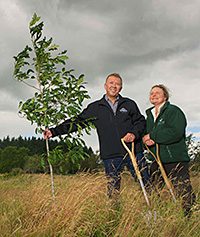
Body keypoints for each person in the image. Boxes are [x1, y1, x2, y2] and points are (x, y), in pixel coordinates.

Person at [44, 73, 149, 199]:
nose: (114, 86)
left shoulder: (129, 104)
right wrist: (54, 131)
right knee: (113, 190)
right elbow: (77, 122)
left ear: (121, 88)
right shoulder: (95, 107)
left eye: (117, 84)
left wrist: (134, 134)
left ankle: (153, 212)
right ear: (105, 86)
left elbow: (141, 121)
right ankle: (114, 215)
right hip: (111, 155)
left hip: (134, 151)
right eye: (111, 83)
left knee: (145, 183)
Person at [143, 84, 195, 217]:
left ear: (165, 96)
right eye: (151, 93)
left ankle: (189, 218)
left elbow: (176, 132)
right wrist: (145, 140)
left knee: (183, 190)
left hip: (175, 159)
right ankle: (159, 217)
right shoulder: (149, 115)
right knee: (153, 189)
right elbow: (146, 135)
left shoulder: (173, 111)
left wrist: (153, 137)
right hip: (157, 159)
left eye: (157, 93)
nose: (153, 95)